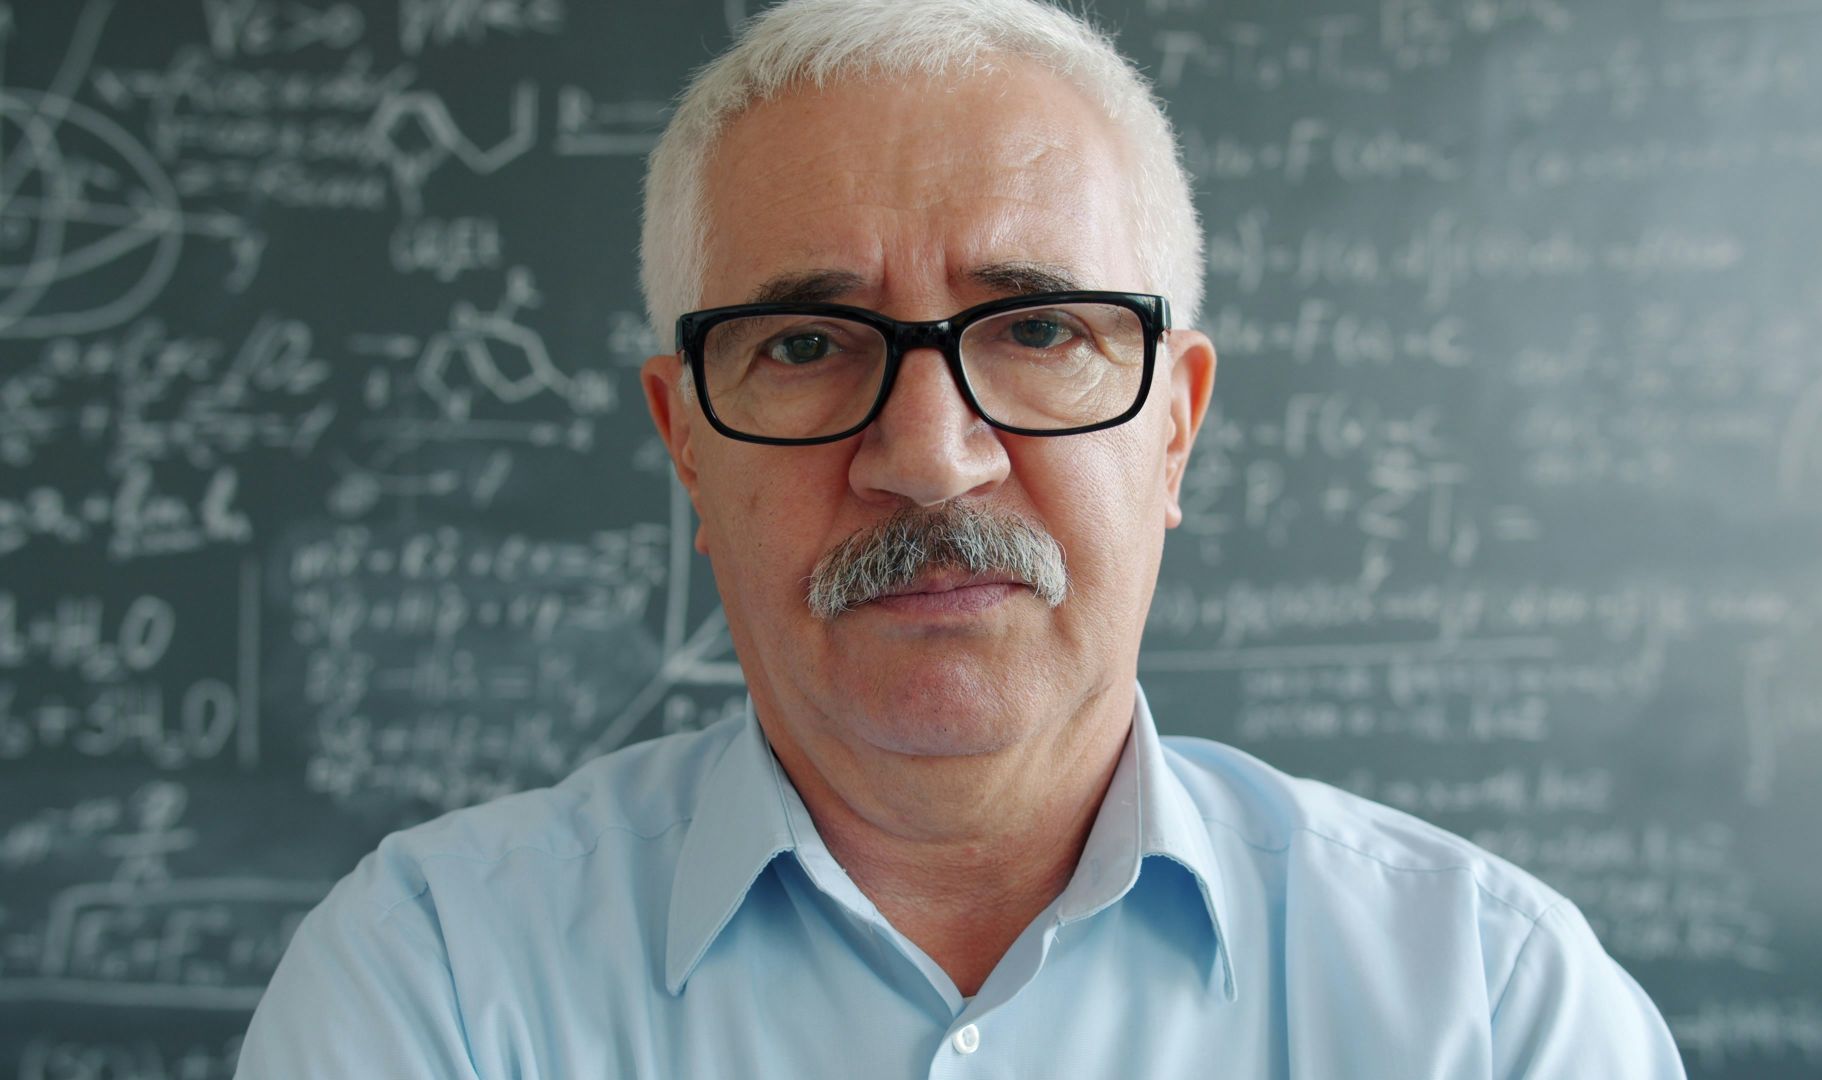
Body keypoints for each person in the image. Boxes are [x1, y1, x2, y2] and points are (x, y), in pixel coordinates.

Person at [237, 0, 1688, 1075]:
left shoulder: (1492, 1011)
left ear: (1173, 426)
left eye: (1042, 327)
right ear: (686, 440)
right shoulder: (431, 991)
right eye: (805, 340)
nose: (929, 459)